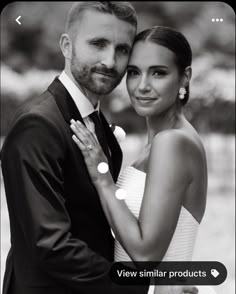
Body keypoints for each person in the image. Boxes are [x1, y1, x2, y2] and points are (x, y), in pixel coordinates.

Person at [1, 2, 149, 294]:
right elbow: (50, 245)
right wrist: (139, 287)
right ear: (67, 47)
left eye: (122, 49)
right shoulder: (38, 125)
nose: (110, 61)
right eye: (98, 43)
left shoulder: (98, 123)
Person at [70, 26, 216, 294]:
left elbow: (146, 255)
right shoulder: (161, 142)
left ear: (185, 78)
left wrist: (103, 178)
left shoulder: (172, 142)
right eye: (134, 72)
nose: (143, 86)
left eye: (158, 72)